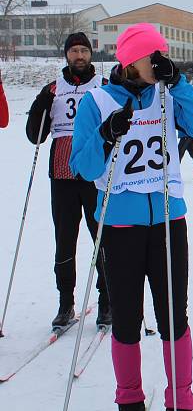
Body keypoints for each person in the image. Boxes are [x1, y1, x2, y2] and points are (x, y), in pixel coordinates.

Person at [70, 23, 193, 411]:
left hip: (169, 222)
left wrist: (181, 82)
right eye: (151, 55)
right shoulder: (98, 102)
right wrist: (105, 134)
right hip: (120, 226)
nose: (158, 61)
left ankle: (181, 398)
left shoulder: (169, 95)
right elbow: (83, 168)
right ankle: (130, 398)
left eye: (161, 54)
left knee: (174, 316)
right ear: (129, 60)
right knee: (126, 317)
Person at [25, 32, 110, 328]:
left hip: (95, 173)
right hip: (62, 172)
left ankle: (106, 301)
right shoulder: (53, 88)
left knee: (102, 238)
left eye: (84, 51)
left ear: (91, 55)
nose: (79, 56)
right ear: (66, 55)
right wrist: (41, 105)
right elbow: (34, 135)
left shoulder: (104, 87)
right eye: (74, 51)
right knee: (64, 241)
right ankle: (65, 303)